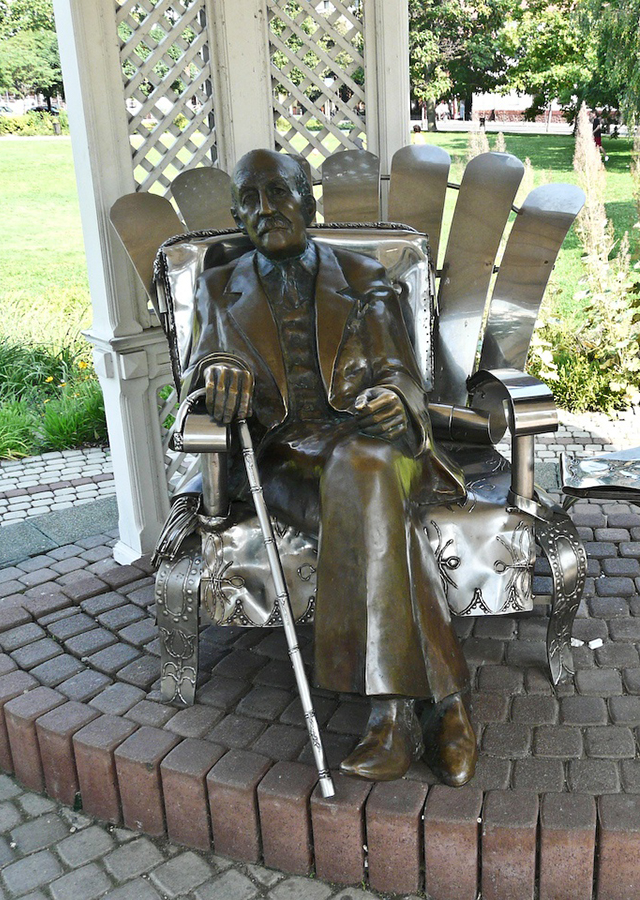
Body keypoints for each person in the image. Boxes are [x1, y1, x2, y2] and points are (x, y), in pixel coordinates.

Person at [186, 149, 477, 785]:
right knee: (379, 506)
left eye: (279, 193)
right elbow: (195, 375)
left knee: (366, 469)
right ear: (237, 214)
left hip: (373, 442)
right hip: (284, 460)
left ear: (308, 203)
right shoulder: (217, 286)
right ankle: (448, 707)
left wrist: (394, 397)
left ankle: (392, 717)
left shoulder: (363, 275)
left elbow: (402, 371)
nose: (266, 210)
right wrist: (216, 373)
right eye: (250, 199)